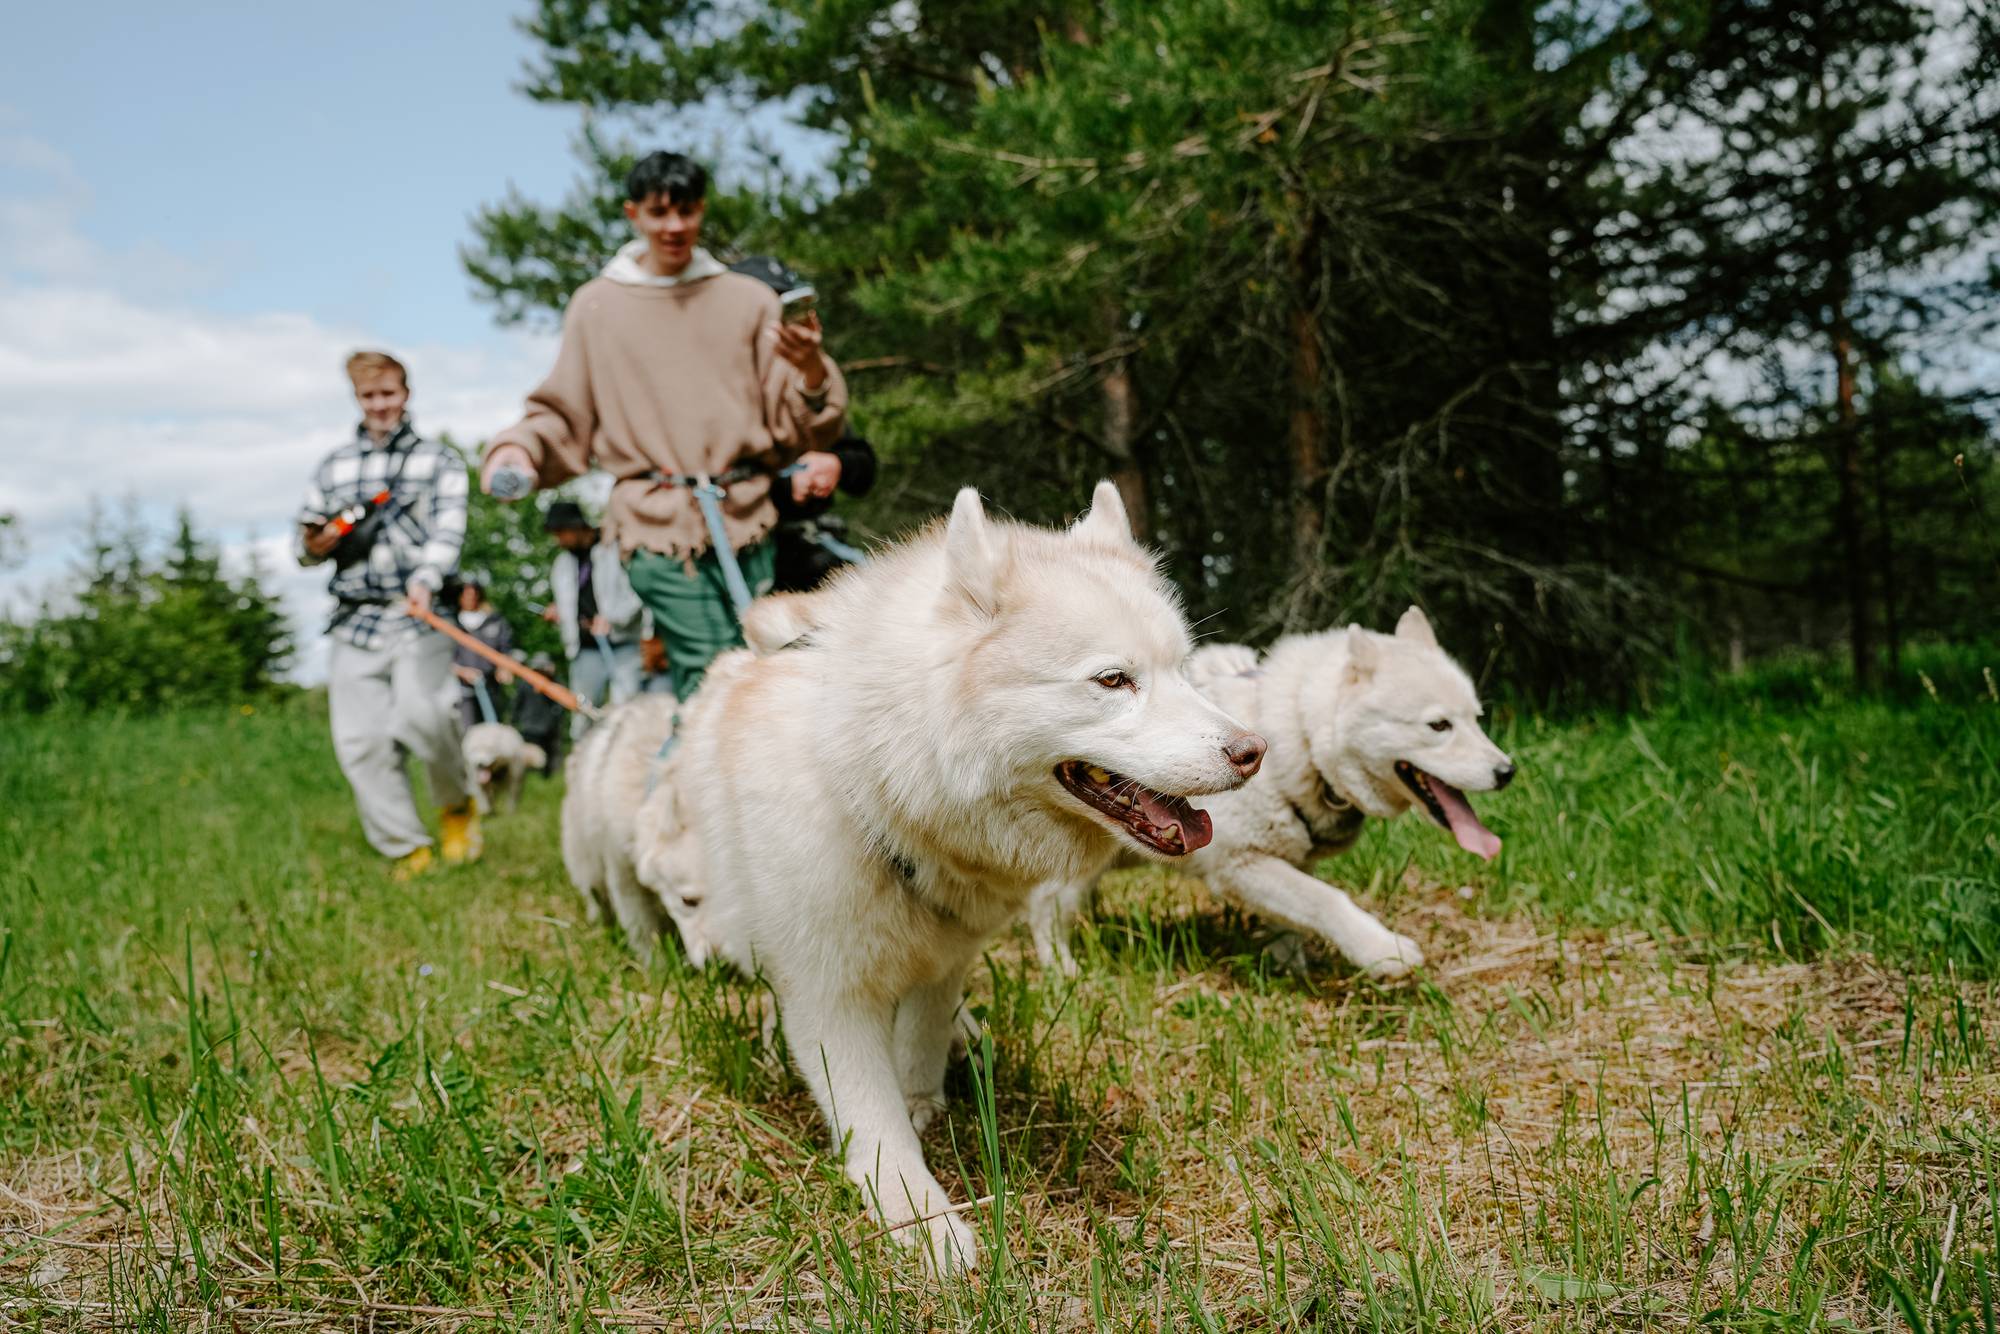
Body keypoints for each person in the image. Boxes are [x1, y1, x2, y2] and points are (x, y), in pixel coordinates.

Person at [480, 150, 848, 700]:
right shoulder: (598, 306)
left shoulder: (746, 300)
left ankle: (684, 779)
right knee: (715, 668)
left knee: (759, 666)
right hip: (657, 522)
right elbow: (562, 409)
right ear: (633, 214)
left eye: (687, 211)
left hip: (747, 516)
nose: (674, 227)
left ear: (701, 211)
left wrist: (812, 367)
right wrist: (518, 451)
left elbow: (800, 421)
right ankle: (703, 781)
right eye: (658, 213)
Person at [296, 350, 477, 878]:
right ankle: (406, 846)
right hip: (356, 616)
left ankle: (456, 807)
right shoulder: (333, 466)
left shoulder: (438, 460)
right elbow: (304, 547)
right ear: (357, 399)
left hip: (421, 613)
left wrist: (426, 579)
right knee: (361, 740)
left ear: (406, 393)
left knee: (426, 716)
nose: (380, 405)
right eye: (369, 396)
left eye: (389, 393)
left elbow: (449, 529)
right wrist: (317, 543)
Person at [543, 500, 644, 737]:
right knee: (583, 716)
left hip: (623, 645)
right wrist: (560, 612)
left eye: (561, 532)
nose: (559, 539)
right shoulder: (562, 563)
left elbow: (638, 593)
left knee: (626, 708)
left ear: (577, 526)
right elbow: (572, 602)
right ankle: (582, 767)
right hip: (585, 649)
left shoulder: (614, 548)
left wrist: (613, 618)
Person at [450, 576, 516, 729]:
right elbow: (443, 660)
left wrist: (504, 667)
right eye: (466, 593)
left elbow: (506, 649)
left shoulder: (495, 621)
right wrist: (461, 671)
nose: (470, 596)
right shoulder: (451, 623)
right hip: (462, 692)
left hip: (491, 688)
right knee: (468, 733)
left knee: (494, 730)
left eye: (474, 592)